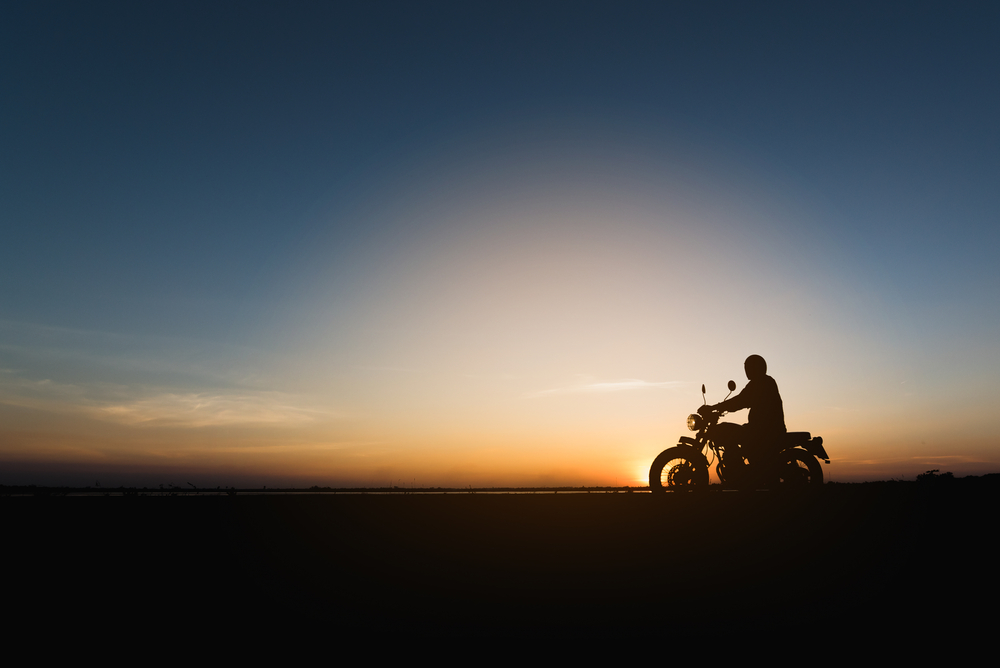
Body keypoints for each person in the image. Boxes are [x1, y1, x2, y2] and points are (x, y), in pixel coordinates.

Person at [708, 354, 786, 467]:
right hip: (759, 428)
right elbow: (741, 400)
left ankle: (738, 469)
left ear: (757, 368)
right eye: (746, 368)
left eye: (749, 368)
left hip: (766, 431)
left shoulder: (763, 382)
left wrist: (714, 407)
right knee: (730, 430)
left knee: (725, 430)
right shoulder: (759, 382)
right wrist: (719, 407)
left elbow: (740, 401)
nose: (747, 371)